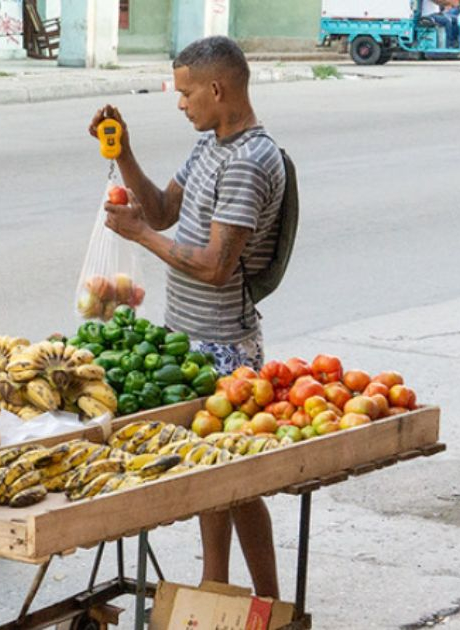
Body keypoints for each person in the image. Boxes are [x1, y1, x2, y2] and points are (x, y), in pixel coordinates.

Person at [92, 36, 284, 598]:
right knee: (209, 480)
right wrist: (124, 154)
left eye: (186, 92)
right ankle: (213, 586)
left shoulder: (248, 161)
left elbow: (216, 267)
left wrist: (140, 236)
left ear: (217, 89)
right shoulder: (209, 147)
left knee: (238, 484)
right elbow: (161, 210)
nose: (180, 104)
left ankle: (271, 603)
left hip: (223, 347)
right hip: (187, 339)